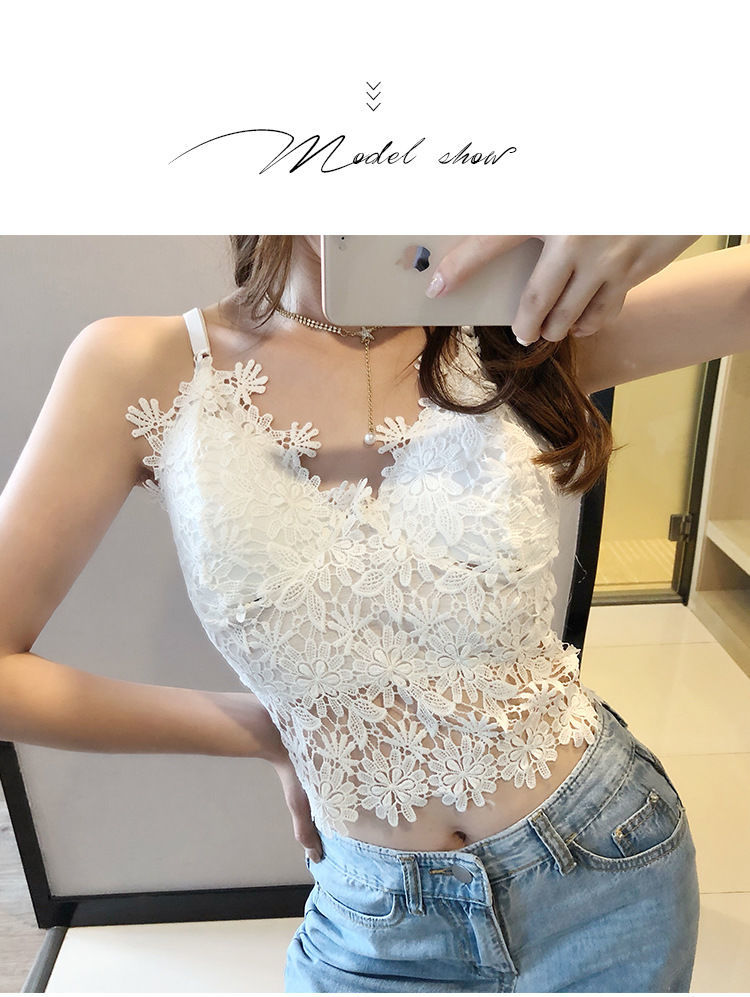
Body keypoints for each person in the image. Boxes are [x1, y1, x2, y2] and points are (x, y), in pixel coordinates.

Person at [0, 234, 747, 992]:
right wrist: (267, 732)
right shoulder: (145, 367)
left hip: (603, 863)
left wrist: (664, 212)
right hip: (374, 920)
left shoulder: (514, 330)